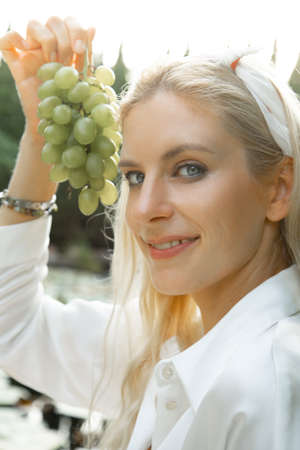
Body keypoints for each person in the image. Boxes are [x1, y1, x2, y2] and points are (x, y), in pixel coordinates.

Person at [0, 16, 300, 450]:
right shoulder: (177, 345)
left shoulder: (264, 387)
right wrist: (40, 140)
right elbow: (14, 328)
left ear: (279, 188)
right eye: (135, 176)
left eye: (189, 169)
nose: (144, 209)